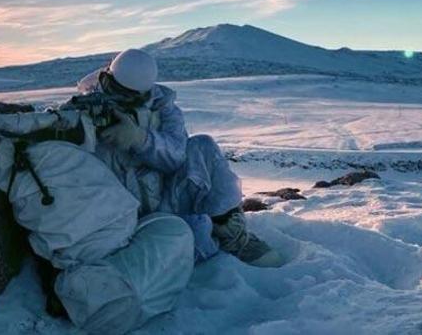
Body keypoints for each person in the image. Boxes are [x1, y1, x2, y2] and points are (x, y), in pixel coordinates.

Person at [69, 48, 283, 267]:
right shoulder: (84, 108)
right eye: (116, 89)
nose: (120, 99)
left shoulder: (161, 107)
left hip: (162, 198)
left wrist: (140, 139)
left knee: (202, 146)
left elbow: (177, 155)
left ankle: (231, 233)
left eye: (128, 96)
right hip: (117, 211)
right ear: (108, 76)